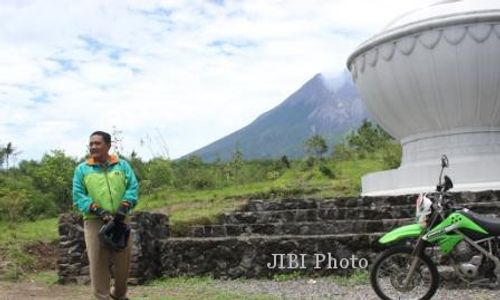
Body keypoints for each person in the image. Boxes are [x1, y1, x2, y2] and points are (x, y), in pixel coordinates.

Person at [72, 131, 138, 300]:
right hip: (94, 222)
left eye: (97, 143)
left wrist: (124, 206)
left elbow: (133, 187)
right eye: (91, 143)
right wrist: (97, 209)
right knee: (98, 265)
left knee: (123, 265)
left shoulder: (122, 166)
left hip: (121, 221)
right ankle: (102, 297)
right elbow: (78, 195)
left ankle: (119, 294)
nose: (93, 146)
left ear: (108, 145)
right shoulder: (82, 169)